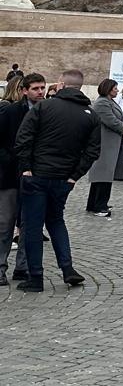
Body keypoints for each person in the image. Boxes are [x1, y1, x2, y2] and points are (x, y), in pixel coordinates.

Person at [12, 67, 98, 292]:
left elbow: (23, 139)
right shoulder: (90, 114)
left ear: (61, 84)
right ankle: (67, 269)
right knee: (56, 221)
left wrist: (27, 169)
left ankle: (36, 277)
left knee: (32, 227)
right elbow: (92, 151)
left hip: (38, 176)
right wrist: (74, 176)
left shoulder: (44, 107)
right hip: (63, 179)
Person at [0, 72, 45, 284]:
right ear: (24, 90)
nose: (40, 92)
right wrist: (11, 160)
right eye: (36, 88)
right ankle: (0, 266)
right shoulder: (10, 111)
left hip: (36, 176)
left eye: (42, 87)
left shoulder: (48, 112)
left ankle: (23, 267)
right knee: (5, 223)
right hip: (10, 176)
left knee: (28, 223)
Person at [85, 78, 123, 216]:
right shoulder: (102, 103)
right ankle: (99, 205)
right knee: (103, 175)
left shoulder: (109, 101)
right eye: (115, 88)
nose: (117, 90)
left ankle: (94, 203)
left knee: (104, 175)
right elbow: (111, 120)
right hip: (105, 144)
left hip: (110, 143)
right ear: (108, 89)